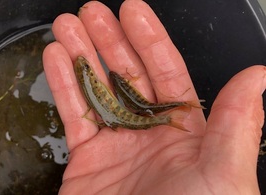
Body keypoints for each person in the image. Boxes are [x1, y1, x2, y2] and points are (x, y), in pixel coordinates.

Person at [42, 0, 265, 194]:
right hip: (119, 118)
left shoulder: (97, 90)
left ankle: (167, 117)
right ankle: (166, 118)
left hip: (118, 118)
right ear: (88, 75)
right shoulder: (98, 86)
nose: (86, 67)